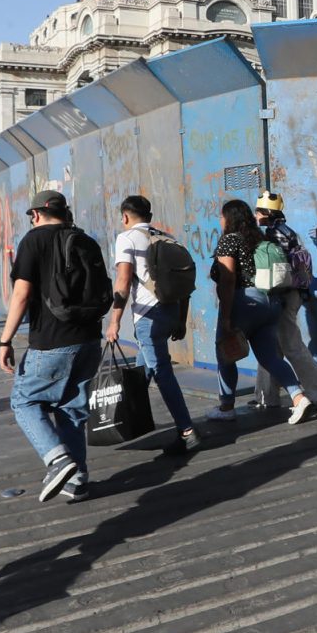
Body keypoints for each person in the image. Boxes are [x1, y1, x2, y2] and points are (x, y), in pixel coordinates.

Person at [0, 190, 103, 503]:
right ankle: (77, 480)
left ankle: (57, 460)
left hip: (52, 341)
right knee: (71, 408)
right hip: (88, 339)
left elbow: (21, 295)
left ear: (37, 214)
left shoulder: (34, 240)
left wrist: (5, 340)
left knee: (24, 400)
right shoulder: (85, 239)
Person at [103, 195, 200, 455]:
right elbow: (185, 285)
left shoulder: (126, 238)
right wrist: (180, 319)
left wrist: (114, 322)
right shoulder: (168, 238)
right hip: (170, 312)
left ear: (125, 216)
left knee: (162, 373)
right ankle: (128, 421)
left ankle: (187, 431)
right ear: (149, 215)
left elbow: (123, 282)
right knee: (143, 370)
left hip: (149, 317)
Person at [206, 199, 314, 426]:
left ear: (229, 218)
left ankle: (226, 406)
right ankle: (299, 396)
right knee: (269, 357)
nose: (220, 219)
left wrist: (225, 317)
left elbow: (227, 279)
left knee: (225, 353)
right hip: (269, 302)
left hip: (244, 302)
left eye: (222, 215)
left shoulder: (229, 241)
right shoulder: (260, 238)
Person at [252, 191, 317, 411]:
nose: (255, 214)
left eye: (258, 211)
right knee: (269, 346)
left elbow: (275, 270)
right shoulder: (290, 232)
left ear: (267, 213)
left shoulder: (273, 235)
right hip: (293, 294)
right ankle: (265, 396)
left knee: (291, 346)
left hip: (282, 295)